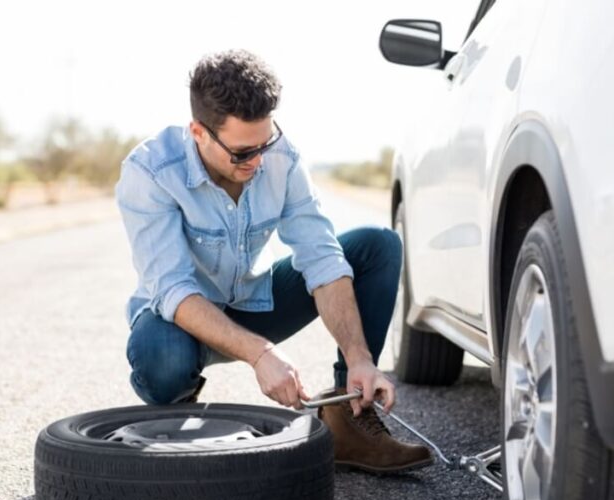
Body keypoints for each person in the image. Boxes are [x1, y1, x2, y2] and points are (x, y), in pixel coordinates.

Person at [116, 49, 431, 473]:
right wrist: (261, 354)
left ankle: (349, 416)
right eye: (243, 152)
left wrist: (359, 356)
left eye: (264, 144)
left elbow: (321, 257)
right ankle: (177, 413)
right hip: (181, 324)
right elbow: (174, 290)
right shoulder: (151, 171)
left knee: (378, 246)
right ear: (199, 133)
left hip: (255, 301)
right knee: (163, 359)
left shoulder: (281, 158)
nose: (258, 161)